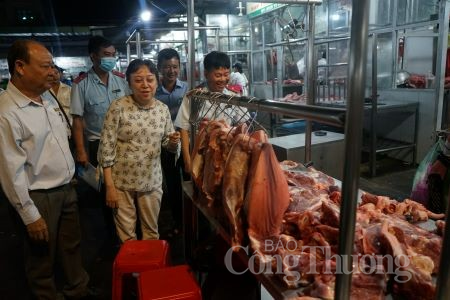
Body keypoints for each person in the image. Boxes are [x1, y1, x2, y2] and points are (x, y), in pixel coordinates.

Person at [0, 40, 90, 299]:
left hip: (65, 189)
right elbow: (10, 171)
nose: (53, 72)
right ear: (20, 67)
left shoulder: (46, 99)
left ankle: (77, 290)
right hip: (39, 197)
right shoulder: (7, 113)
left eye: (53, 66)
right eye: (45, 66)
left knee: (71, 248)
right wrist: (30, 215)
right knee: (42, 259)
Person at [98, 59, 180, 242]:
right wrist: (109, 187)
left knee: (151, 232)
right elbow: (106, 148)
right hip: (121, 183)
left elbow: (168, 144)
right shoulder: (118, 107)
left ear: (156, 82)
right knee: (126, 235)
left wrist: (174, 142)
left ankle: (149, 270)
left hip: (151, 181)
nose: (145, 85)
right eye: (138, 80)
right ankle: (131, 269)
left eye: (150, 79)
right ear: (129, 83)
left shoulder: (162, 110)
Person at [174, 51, 250, 173]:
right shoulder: (194, 96)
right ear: (206, 74)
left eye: (226, 74)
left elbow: (244, 124)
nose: (223, 79)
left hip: (226, 154)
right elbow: (183, 128)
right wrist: (188, 161)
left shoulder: (234, 97)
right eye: (218, 75)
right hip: (200, 154)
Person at [70, 35, 129, 167]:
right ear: (93, 56)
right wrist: (80, 150)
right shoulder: (81, 84)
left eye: (113, 55)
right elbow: (77, 120)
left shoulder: (122, 80)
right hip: (97, 143)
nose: (111, 59)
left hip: (123, 140)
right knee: (102, 184)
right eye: (107, 54)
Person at [156, 48, 188, 235]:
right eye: (167, 67)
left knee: (189, 179)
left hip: (185, 142)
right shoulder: (153, 90)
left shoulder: (186, 89)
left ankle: (188, 219)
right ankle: (176, 220)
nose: (171, 71)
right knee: (171, 182)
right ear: (160, 67)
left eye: (175, 67)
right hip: (164, 144)